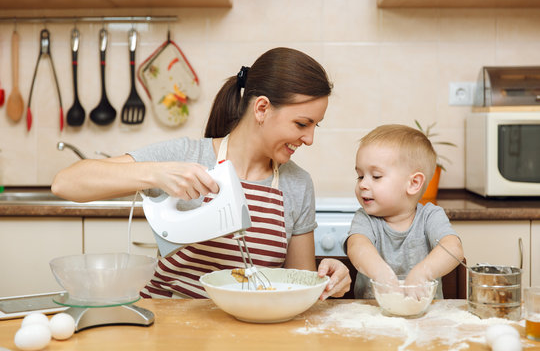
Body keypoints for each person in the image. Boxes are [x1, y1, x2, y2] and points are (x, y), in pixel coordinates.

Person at [52, 47, 351, 300]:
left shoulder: (297, 184)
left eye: (315, 126)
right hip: (166, 327)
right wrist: (155, 174)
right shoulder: (187, 157)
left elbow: (296, 284)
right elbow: (66, 183)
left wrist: (325, 283)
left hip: (248, 334)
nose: (310, 139)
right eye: (302, 124)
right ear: (261, 108)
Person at [344, 124, 464, 299]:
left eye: (376, 176)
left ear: (414, 183)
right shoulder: (365, 218)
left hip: (426, 317)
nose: (362, 184)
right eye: (360, 176)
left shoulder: (430, 216)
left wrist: (423, 273)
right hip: (373, 316)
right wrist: (381, 273)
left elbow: (454, 248)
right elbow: (357, 246)